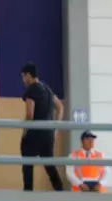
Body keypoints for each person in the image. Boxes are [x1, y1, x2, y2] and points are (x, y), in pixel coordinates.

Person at [19, 63, 66, 192]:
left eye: (23, 77)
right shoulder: (47, 89)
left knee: (27, 167)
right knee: (50, 166)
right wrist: (55, 128)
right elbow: (60, 107)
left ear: (28, 75)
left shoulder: (31, 90)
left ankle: (28, 195)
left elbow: (30, 114)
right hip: (48, 134)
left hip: (34, 135)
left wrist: (24, 131)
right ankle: (60, 191)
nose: (23, 80)